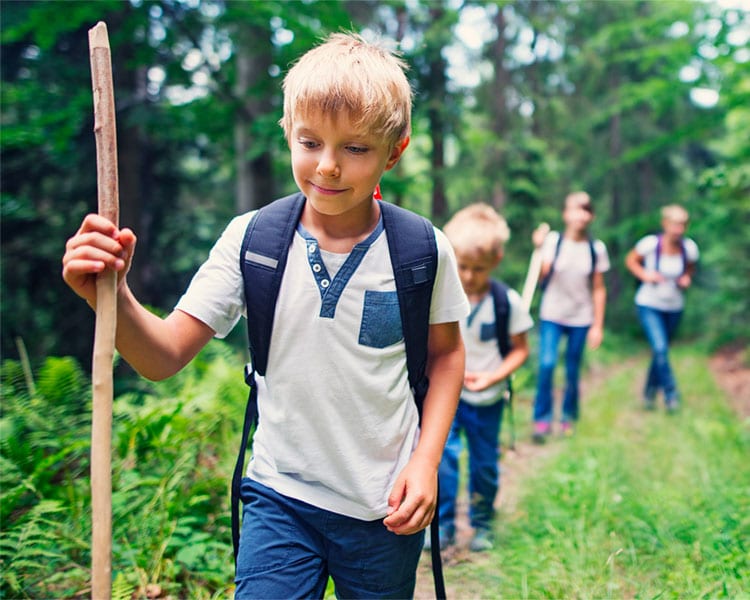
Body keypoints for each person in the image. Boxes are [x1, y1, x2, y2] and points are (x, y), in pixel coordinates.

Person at [62, 33, 469, 599]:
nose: (327, 167)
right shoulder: (252, 241)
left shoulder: (422, 250)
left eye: (354, 149)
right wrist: (111, 296)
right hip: (280, 497)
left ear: (394, 152)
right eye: (310, 142)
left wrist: (426, 464)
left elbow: (447, 357)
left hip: (384, 505)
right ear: (286, 131)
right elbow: (162, 357)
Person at [427, 204, 532, 552]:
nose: (469, 276)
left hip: (487, 401)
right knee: (443, 459)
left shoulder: (507, 302)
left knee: (485, 464)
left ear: (496, 261)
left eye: (478, 269)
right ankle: (442, 526)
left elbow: (520, 349)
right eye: (463, 266)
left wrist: (492, 377)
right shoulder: (439, 298)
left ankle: (482, 523)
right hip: (446, 397)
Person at [531, 191, 609, 443]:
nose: (580, 215)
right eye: (575, 209)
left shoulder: (596, 249)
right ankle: (541, 419)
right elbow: (541, 278)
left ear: (591, 216)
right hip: (552, 313)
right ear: (566, 214)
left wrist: (597, 325)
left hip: (581, 317)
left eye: (586, 209)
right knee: (547, 364)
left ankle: (567, 417)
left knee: (572, 370)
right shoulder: (553, 242)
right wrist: (540, 249)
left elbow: (598, 288)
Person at [625, 204, 699, 411]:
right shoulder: (650, 244)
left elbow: (690, 269)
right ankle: (671, 395)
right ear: (665, 224)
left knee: (661, 352)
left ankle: (649, 393)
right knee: (660, 348)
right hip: (649, 304)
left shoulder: (689, 248)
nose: (679, 230)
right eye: (675, 225)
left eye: (682, 225)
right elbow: (631, 261)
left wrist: (686, 278)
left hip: (674, 306)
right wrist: (645, 275)